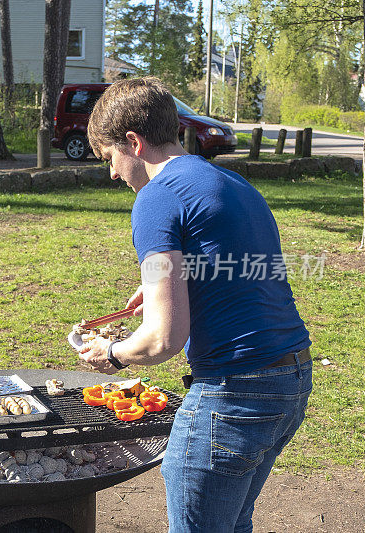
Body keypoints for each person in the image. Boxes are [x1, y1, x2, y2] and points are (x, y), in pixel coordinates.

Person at [78, 77, 312, 533]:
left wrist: (112, 354)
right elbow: (249, 266)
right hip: (291, 381)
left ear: (134, 143)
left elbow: (163, 339)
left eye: (110, 158)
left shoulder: (156, 197)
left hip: (235, 393)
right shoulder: (229, 180)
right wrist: (176, 281)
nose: (111, 173)